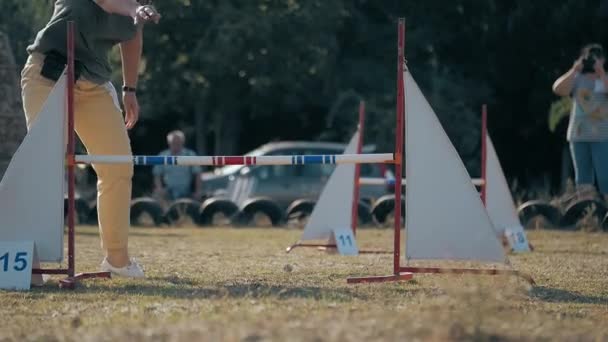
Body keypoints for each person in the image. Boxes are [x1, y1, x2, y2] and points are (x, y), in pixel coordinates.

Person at [21, 0, 161, 278]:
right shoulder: (130, 5)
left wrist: (129, 89)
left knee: (118, 167)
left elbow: (132, 38)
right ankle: (30, 262)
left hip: (93, 84)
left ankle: (117, 260)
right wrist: (134, 10)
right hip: (47, 74)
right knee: (44, 167)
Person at [553, 44, 608, 197]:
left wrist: (601, 72)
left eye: (596, 57)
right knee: (583, 180)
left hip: (602, 137)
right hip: (579, 136)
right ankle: (587, 211)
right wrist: (574, 70)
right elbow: (558, 89)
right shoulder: (577, 79)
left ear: (603, 59)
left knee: (605, 177)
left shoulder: (605, 79)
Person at [153, 130, 203, 200]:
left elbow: (197, 174)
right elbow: (157, 175)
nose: (176, 145)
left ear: (182, 142)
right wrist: (159, 188)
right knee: (157, 196)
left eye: (178, 143)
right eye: (174, 143)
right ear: (169, 143)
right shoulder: (163, 155)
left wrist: (198, 191)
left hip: (188, 191)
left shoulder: (190, 154)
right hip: (168, 191)